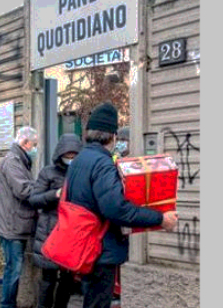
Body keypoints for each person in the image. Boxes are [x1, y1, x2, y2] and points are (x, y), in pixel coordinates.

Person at [64, 103, 179, 308]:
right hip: (100, 249)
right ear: (113, 136)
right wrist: (160, 218)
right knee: (98, 303)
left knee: (91, 300)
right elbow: (115, 209)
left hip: (84, 244)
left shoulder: (80, 160)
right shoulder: (102, 163)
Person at [26, 134, 83, 308]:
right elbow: (34, 199)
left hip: (72, 233)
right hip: (49, 232)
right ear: (60, 154)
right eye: (68, 156)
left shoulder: (81, 173)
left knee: (67, 279)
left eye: (75, 156)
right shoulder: (48, 172)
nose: (71, 160)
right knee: (48, 278)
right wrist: (55, 194)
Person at [0, 127, 39, 308]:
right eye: (34, 145)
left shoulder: (20, 160)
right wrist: (44, 189)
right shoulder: (13, 161)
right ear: (25, 143)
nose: (35, 149)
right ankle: (7, 305)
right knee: (13, 270)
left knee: (13, 269)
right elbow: (23, 189)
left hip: (15, 223)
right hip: (11, 226)